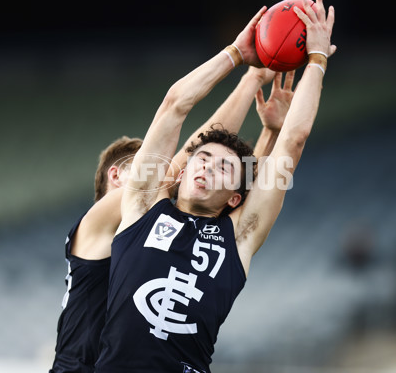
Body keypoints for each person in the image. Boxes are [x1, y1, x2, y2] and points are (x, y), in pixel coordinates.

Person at [94, 0, 336, 373]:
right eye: (201, 159)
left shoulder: (240, 234)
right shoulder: (142, 204)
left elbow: (294, 139)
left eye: (223, 168)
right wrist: (237, 54)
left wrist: (317, 60)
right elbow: (176, 104)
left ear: (237, 196)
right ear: (183, 170)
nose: (206, 168)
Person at [49, 64, 295, 373]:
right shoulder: (99, 221)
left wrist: (269, 135)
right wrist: (251, 79)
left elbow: (237, 198)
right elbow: (191, 154)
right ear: (116, 174)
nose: (159, 176)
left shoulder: (147, 230)